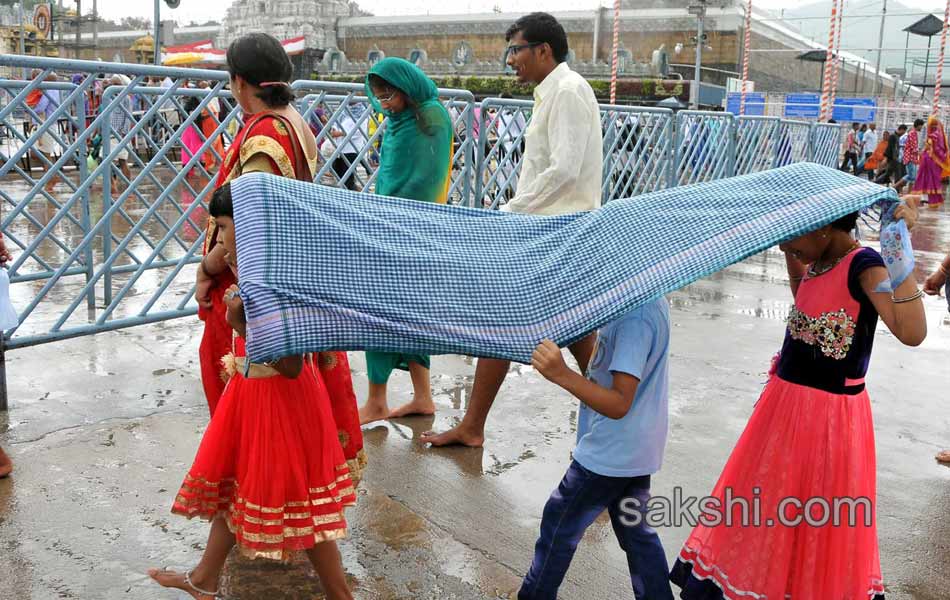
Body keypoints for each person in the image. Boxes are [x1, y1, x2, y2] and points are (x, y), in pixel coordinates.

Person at [671, 205, 926, 599]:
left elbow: (911, 331)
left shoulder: (866, 265)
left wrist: (898, 254)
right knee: (771, 516)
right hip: (782, 415)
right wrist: (794, 251)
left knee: (818, 523)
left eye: (792, 237)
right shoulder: (817, 263)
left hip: (829, 424)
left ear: (823, 226)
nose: (785, 246)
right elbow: (806, 295)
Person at [148, 185, 356, 600]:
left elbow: (292, 365)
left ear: (249, 226)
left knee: (299, 500)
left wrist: (241, 323)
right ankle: (204, 579)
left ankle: (340, 595)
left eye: (223, 227)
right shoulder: (257, 266)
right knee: (234, 484)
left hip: (281, 400)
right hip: (253, 392)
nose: (219, 238)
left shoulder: (273, 279)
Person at [422, 12, 602, 448]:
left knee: (513, 320)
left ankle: (617, 419)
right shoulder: (553, 91)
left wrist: (510, 211)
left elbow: (564, 169)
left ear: (543, 50)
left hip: (556, 232)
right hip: (546, 230)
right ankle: (614, 421)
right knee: (566, 331)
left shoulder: (568, 90)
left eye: (516, 51)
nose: (510, 61)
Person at [194, 33, 365, 476]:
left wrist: (207, 267)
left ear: (237, 81)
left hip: (251, 286)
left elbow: (248, 225)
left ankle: (261, 488)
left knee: (256, 399)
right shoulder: (291, 119)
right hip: (290, 273)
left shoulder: (265, 134)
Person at [519, 298, 674, 599]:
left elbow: (619, 403)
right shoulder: (643, 302)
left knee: (559, 520)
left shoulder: (635, 318)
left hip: (610, 451)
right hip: (634, 450)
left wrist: (561, 373)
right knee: (637, 533)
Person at [357, 58, 453, 425]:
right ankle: (423, 397)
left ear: (407, 88)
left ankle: (377, 401)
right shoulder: (402, 120)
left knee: (378, 313)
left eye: (389, 94)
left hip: (404, 231)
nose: (383, 102)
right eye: (378, 95)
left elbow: (421, 182)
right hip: (410, 229)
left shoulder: (430, 118)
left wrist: (385, 219)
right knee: (410, 313)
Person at [106, 74, 134, 200]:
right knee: (107, 161)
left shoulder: (125, 98)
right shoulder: (109, 97)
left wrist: (124, 133)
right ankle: (113, 187)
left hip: (120, 135)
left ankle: (126, 187)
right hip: (110, 134)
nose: (111, 86)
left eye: (114, 84)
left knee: (121, 161)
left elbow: (128, 117)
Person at [912, 116, 949, 206]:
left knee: (926, 179)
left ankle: (925, 199)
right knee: (930, 179)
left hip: (930, 161)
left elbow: (934, 149)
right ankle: (929, 199)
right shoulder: (938, 135)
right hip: (930, 161)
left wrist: (924, 150)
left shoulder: (933, 136)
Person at [896, 118, 924, 194]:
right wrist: (921, 152)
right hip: (910, 158)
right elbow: (913, 147)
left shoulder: (914, 133)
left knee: (912, 177)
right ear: (918, 125)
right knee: (911, 176)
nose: (921, 128)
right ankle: (895, 186)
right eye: (921, 126)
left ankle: (909, 193)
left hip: (913, 158)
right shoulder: (912, 133)